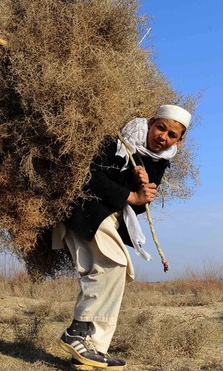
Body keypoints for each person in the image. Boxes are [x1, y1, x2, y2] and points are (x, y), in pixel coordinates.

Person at [53, 105, 191, 370]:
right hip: (86, 211)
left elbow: (140, 206)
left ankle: (91, 353)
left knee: (119, 273)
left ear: (179, 141)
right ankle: (77, 332)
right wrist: (130, 194)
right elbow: (89, 175)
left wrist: (142, 188)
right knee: (113, 265)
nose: (163, 137)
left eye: (172, 135)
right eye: (160, 127)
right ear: (150, 123)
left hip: (109, 221)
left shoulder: (158, 161)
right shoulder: (117, 140)